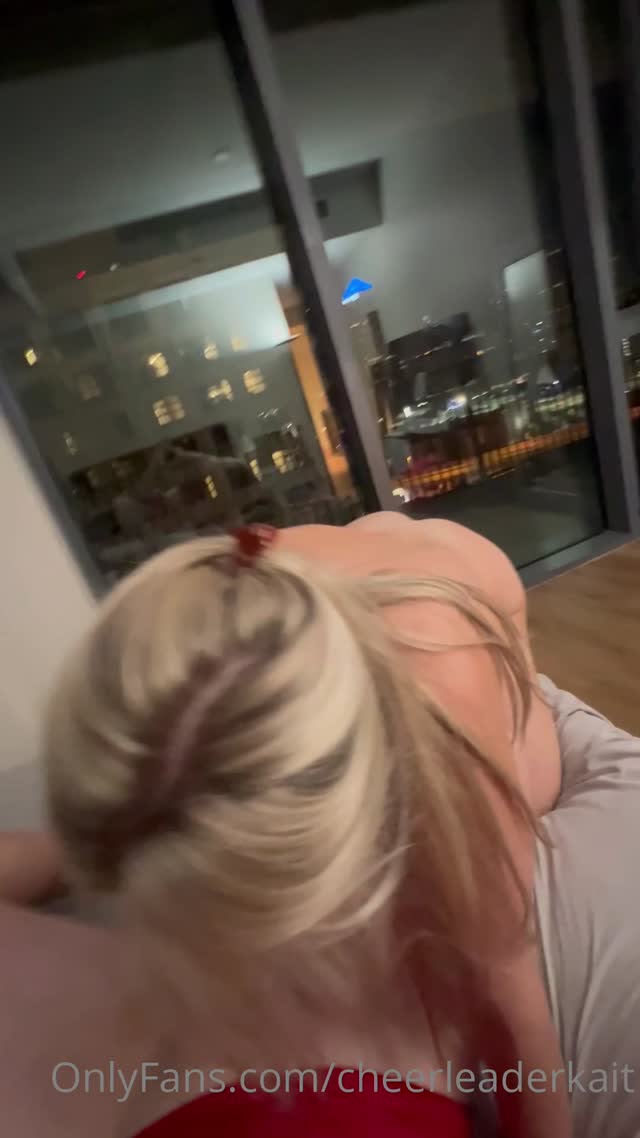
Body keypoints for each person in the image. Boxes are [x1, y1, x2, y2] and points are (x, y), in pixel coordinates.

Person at [25, 512, 569, 1138]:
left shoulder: (441, 691)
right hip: (320, 584)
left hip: (455, 582)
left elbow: (513, 998)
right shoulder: (158, 697)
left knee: (525, 793)